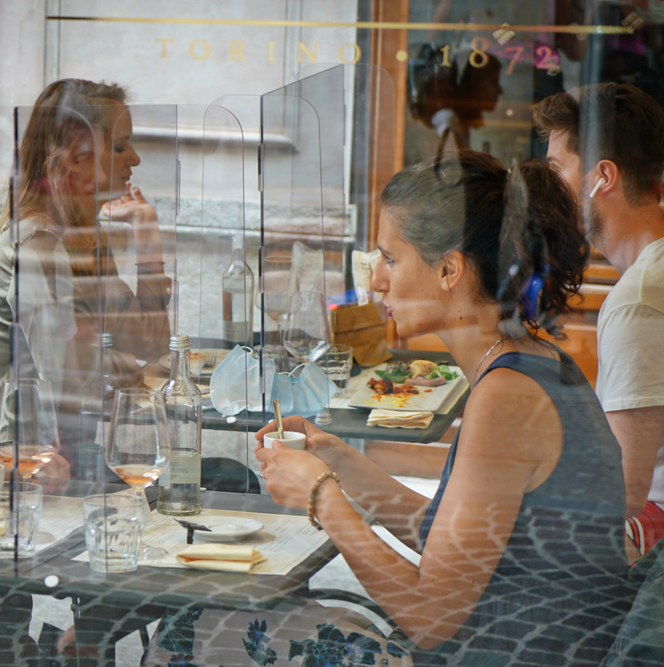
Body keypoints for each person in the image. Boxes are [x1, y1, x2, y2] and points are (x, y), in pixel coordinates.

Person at [146, 151, 631, 667]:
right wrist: (343, 463)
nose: (377, 280)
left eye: (390, 258)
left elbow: (429, 617)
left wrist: (322, 495)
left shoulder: (506, 397)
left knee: (192, 627)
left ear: (448, 270)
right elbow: (456, 543)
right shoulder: (529, 361)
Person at [0, 78, 172, 473]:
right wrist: (126, 367)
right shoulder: (38, 238)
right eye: (119, 146)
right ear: (79, 158)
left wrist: (147, 235)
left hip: (68, 450)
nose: (134, 159)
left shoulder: (86, 234)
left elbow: (151, 341)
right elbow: (64, 373)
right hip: (21, 460)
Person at [534, 82, 664, 562]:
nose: (549, 188)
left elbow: (624, 494)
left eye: (556, 171)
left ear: (602, 177)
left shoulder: (640, 300)